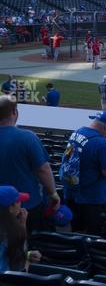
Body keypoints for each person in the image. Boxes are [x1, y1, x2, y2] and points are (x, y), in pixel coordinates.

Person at [0, 95, 59, 233]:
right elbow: (43, 170)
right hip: (26, 205)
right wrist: (53, 193)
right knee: (27, 243)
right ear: (14, 112)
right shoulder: (27, 137)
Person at [62, 111, 106, 234]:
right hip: (92, 198)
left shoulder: (77, 132)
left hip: (71, 191)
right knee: (92, 235)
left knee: (76, 231)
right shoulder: (102, 143)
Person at [0, 186, 42, 273]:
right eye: (18, 201)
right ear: (11, 207)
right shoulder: (5, 236)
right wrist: (22, 226)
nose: (21, 204)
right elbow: (20, 270)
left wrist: (28, 254)